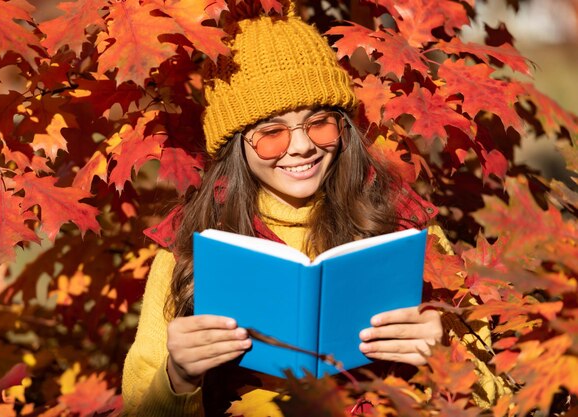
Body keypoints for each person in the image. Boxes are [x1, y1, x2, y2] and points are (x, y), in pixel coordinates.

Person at [121, 6, 508, 417]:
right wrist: (178, 377)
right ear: (235, 145)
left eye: (319, 123)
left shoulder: (404, 223)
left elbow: (499, 395)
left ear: (343, 128)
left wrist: (443, 359)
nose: (302, 146)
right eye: (272, 133)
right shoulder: (190, 244)